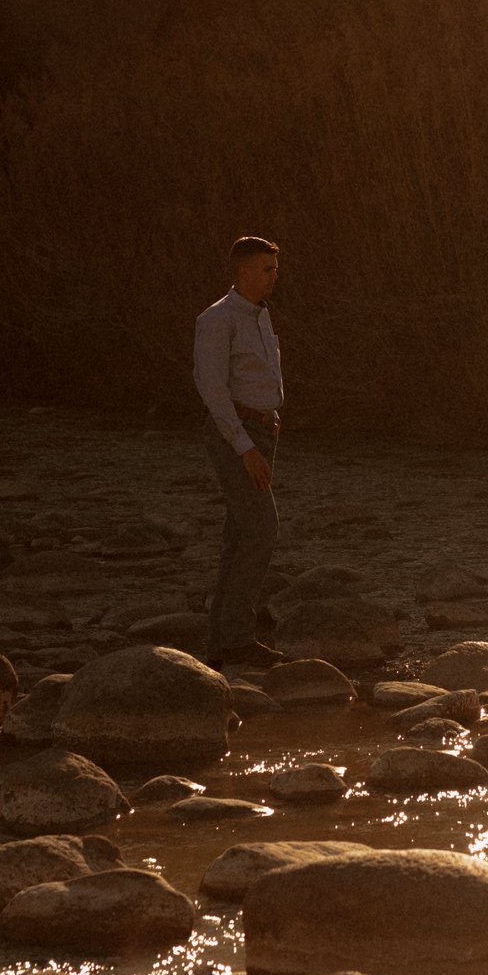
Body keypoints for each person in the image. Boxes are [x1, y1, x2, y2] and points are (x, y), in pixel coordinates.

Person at [194, 235, 287, 668]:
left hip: (262, 430)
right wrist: (246, 448)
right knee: (262, 529)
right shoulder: (218, 319)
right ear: (244, 272)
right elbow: (212, 389)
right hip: (237, 434)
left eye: (274, 268)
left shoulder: (260, 316)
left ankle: (220, 646)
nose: (274, 276)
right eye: (266, 269)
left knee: (239, 536)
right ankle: (236, 640)